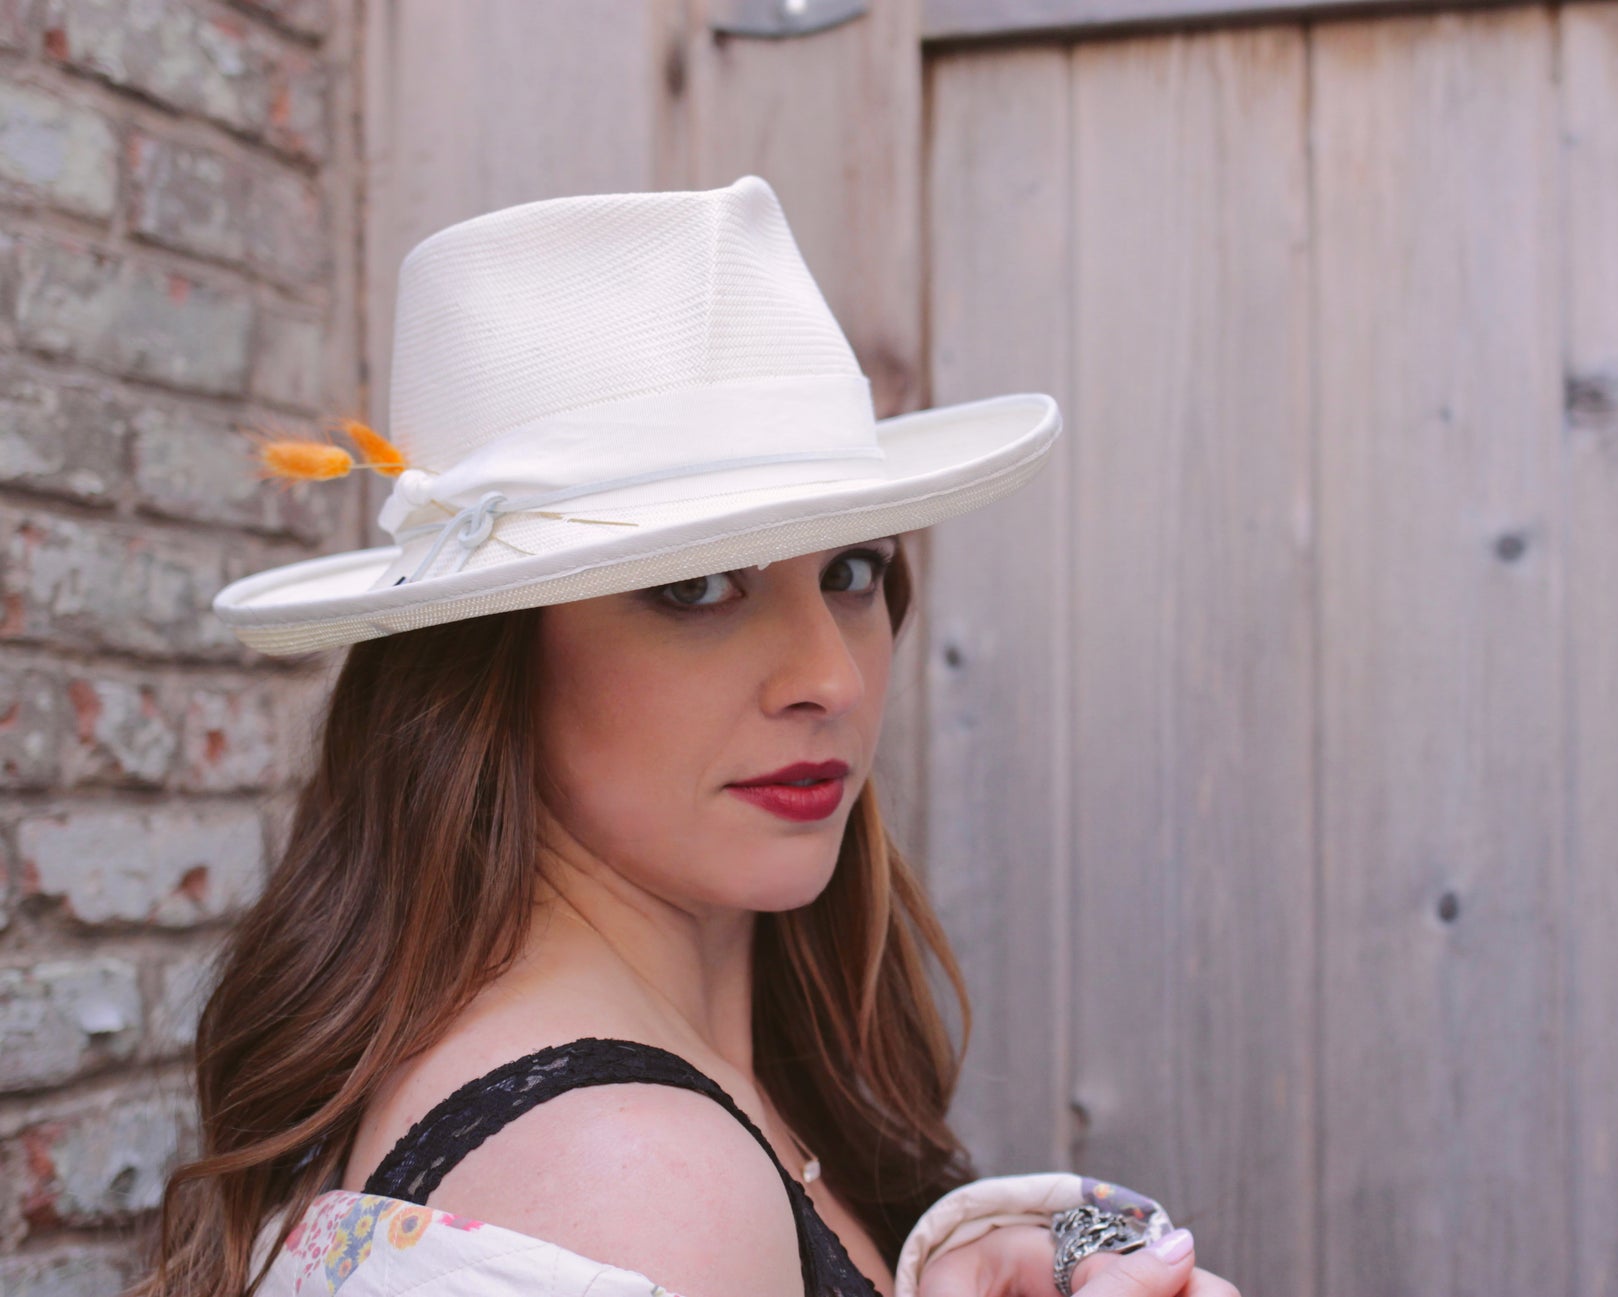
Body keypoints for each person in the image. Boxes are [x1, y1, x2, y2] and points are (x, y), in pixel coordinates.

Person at [134, 176, 1241, 1297]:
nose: (828, 674)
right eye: (697, 587)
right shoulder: (634, 1174)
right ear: (489, 663)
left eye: (851, 571)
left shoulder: (682, 1102)